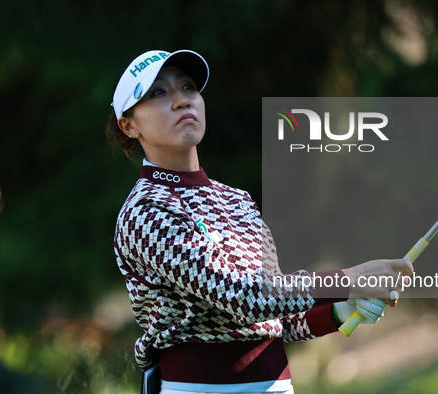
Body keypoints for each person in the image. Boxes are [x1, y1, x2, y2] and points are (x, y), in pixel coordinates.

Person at [106, 49, 413, 394]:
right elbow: (242, 296)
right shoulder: (145, 210)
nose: (182, 101)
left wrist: (342, 307)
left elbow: (275, 316)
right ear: (129, 125)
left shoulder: (238, 200)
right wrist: (348, 279)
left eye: (189, 87)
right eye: (159, 93)